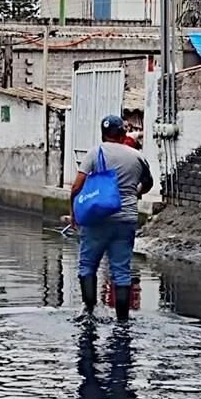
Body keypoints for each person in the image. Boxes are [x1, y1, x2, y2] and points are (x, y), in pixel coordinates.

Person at [70, 115, 153, 321]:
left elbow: (76, 187)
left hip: (97, 218)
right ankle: (122, 321)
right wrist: (135, 192)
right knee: (122, 271)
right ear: (123, 133)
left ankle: (90, 313)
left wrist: (74, 213)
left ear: (103, 133)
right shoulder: (137, 157)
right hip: (126, 219)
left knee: (87, 265)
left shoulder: (94, 153)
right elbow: (148, 183)